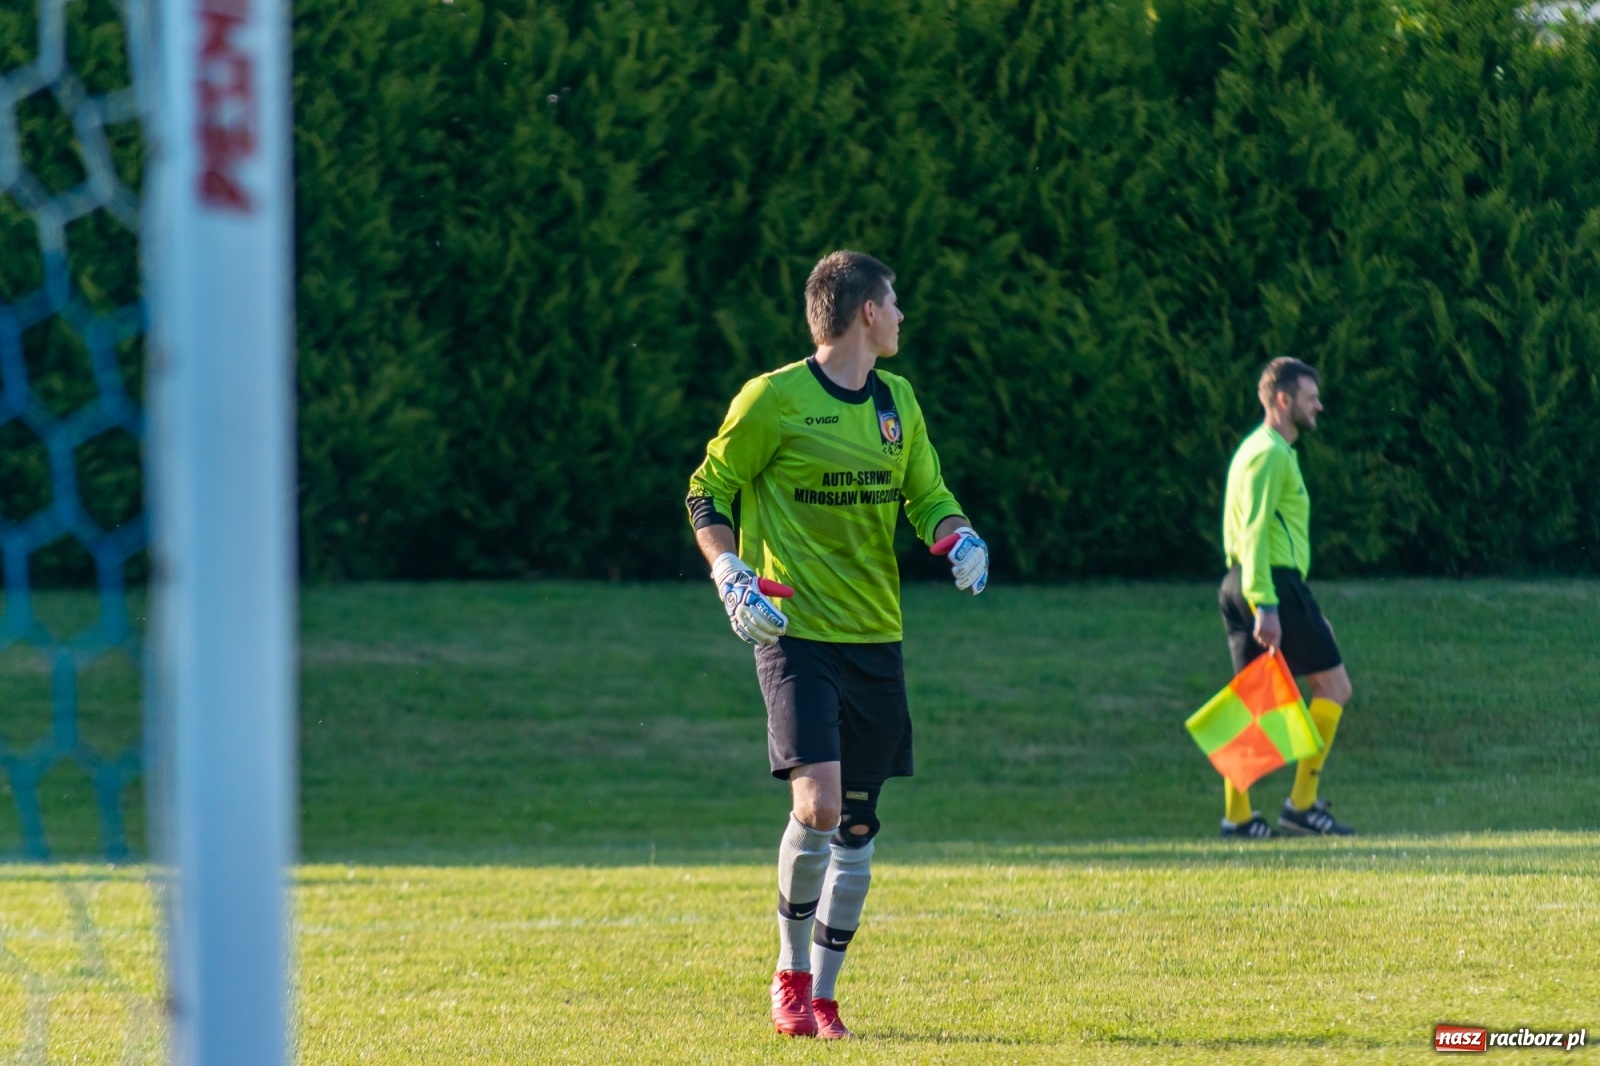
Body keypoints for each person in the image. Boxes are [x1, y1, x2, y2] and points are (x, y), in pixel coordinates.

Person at [686, 250, 987, 1039]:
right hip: (797, 635)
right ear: (867, 313)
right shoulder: (773, 399)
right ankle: (789, 975)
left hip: (875, 637)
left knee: (856, 824)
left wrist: (961, 536)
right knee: (817, 807)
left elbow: (928, 496)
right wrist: (729, 573)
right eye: (895, 302)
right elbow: (707, 490)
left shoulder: (898, 402)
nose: (902, 316)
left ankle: (824, 995)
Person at [1217, 357, 1355, 839]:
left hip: (1243, 581)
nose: (1319, 405)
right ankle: (1302, 806)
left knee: (1257, 706)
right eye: (1310, 397)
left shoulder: (1254, 449)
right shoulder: (1271, 453)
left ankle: (1237, 818)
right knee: (1334, 688)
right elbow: (1255, 531)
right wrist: (1268, 604)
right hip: (1270, 582)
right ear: (1283, 399)